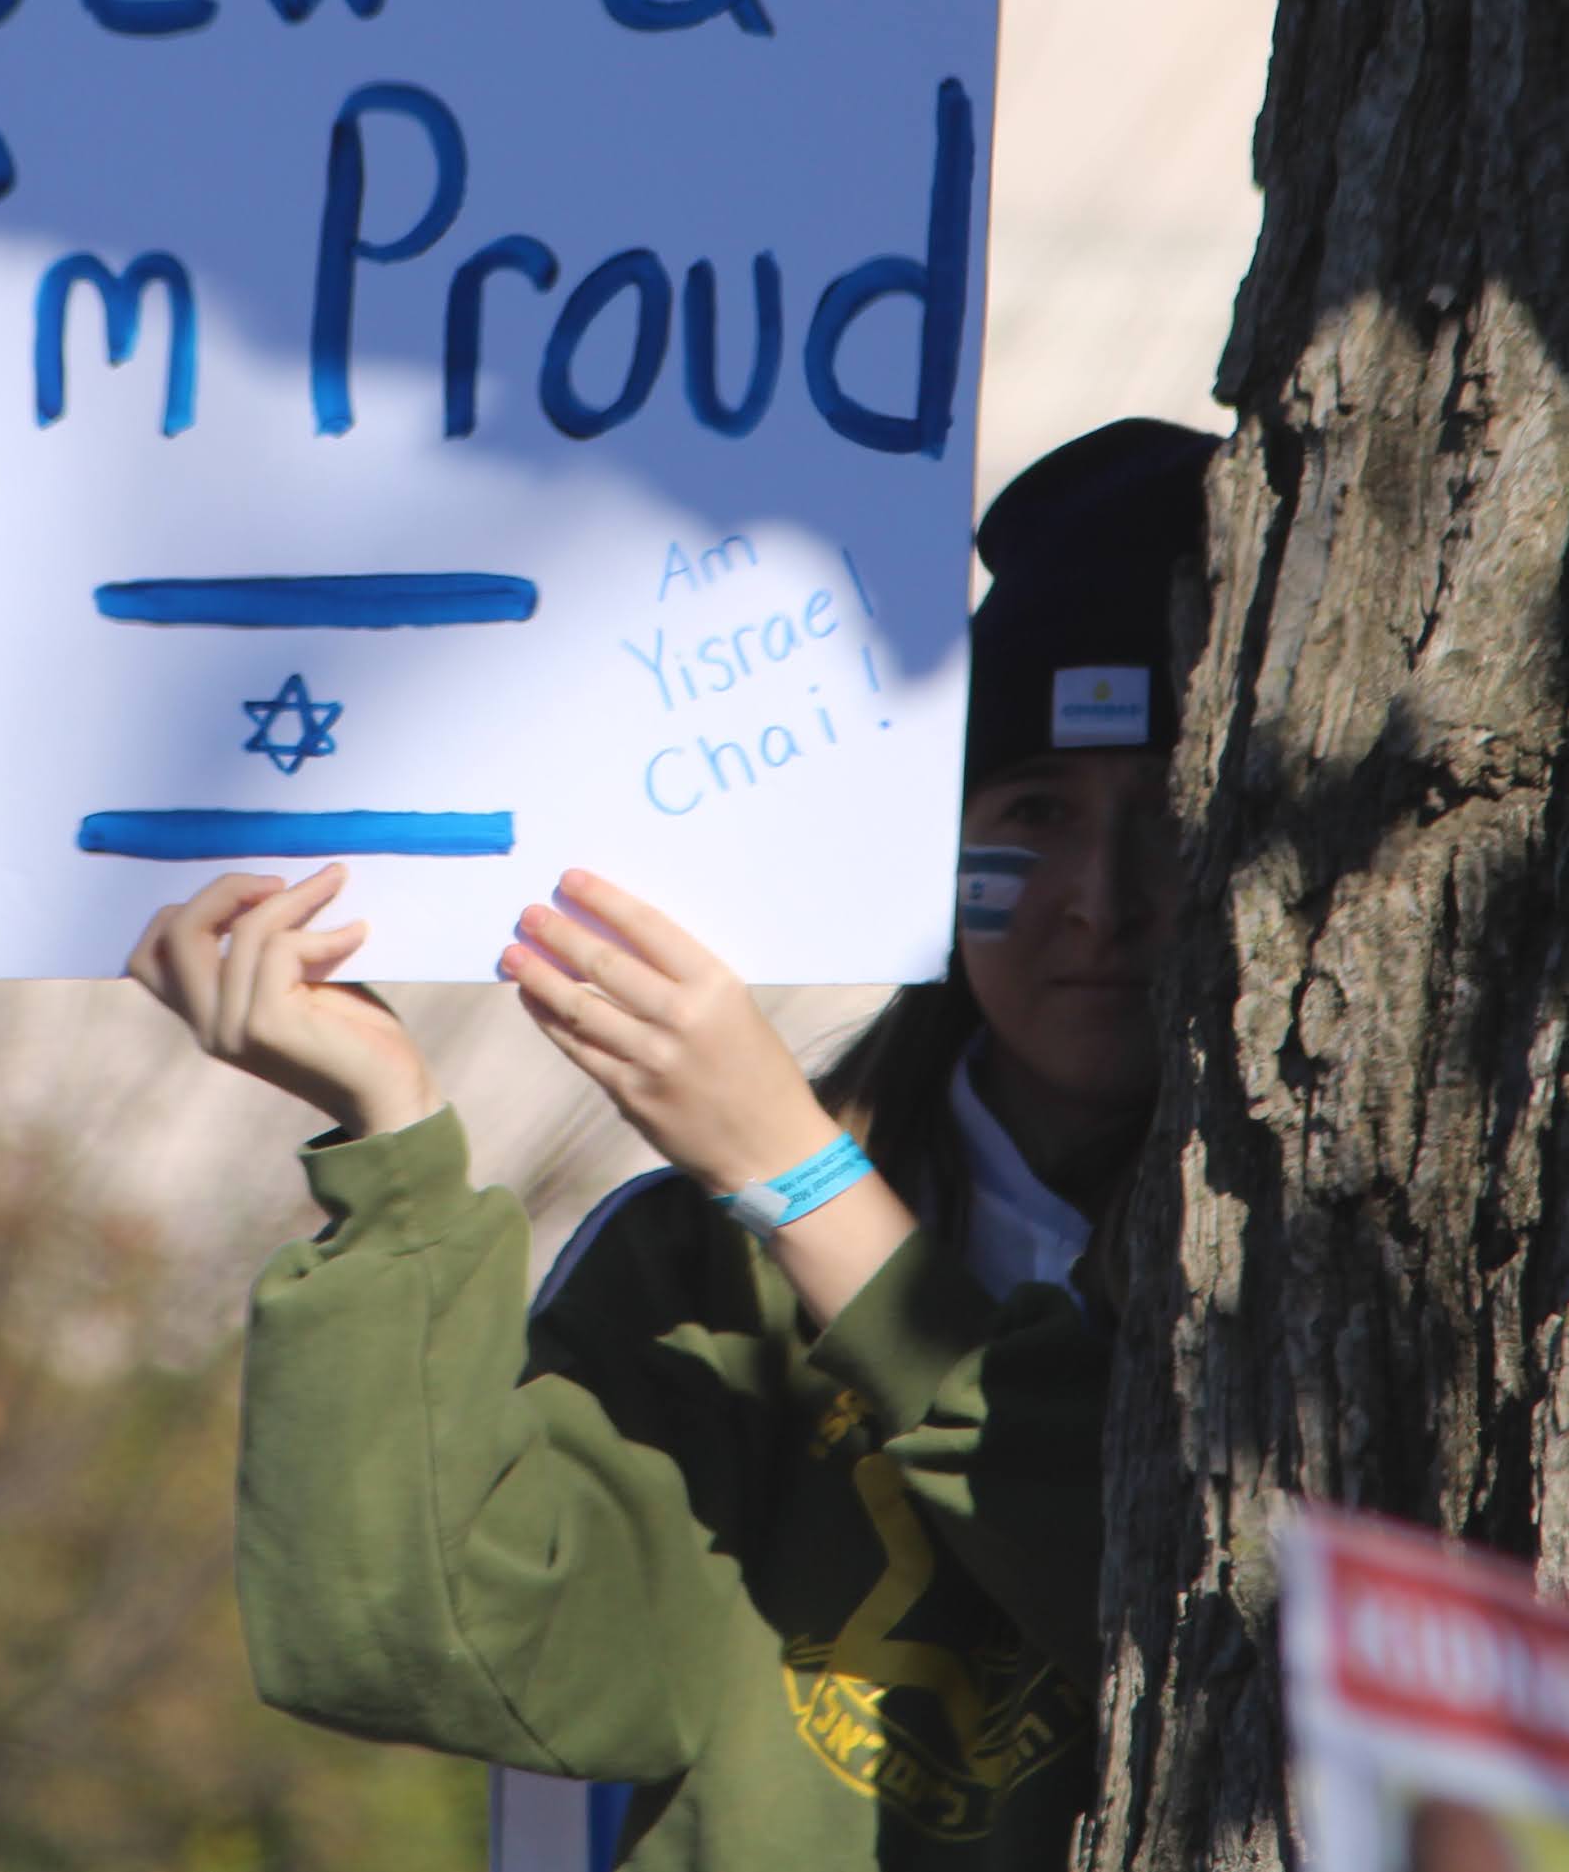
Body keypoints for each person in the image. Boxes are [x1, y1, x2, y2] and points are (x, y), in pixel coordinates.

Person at [124, 419, 1216, 1871]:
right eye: (1031, 809)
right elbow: (427, 1641)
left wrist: (809, 1184)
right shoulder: (701, 1259)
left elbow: (1200, 1626)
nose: (1099, 895)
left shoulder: (1330, 1278)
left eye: (1169, 812)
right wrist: (383, 1134)